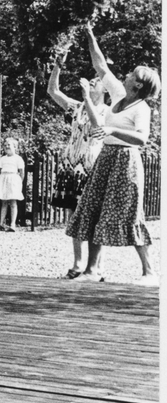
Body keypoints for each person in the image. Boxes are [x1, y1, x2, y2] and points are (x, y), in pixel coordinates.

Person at [66, 28, 160, 285]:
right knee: (95, 209)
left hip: (126, 161)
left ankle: (150, 273)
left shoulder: (141, 109)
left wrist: (112, 130)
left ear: (138, 85)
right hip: (106, 157)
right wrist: (89, 34)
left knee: (130, 214)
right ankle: (91, 271)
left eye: (132, 75)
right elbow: (100, 65)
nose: (126, 75)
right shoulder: (119, 94)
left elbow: (142, 138)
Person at [47, 38, 116, 277]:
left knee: (95, 215)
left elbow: (97, 127)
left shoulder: (108, 111)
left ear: (105, 90)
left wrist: (87, 97)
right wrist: (58, 66)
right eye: (93, 79)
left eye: (98, 81)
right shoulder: (76, 107)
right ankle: (77, 263)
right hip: (71, 166)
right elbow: (53, 91)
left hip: (91, 166)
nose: (93, 81)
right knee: (73, 215)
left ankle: (97, 266)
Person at [0, 137, 25, 231]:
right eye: (5, 145)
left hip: (13, 180)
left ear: (15, 147)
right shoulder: (3, 159)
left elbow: (22, 172)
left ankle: (13, 224)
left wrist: (19, 183)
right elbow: (0, 170)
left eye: (9, 145)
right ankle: (1, 224)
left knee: (13, 202)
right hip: (4, 179)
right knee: (4, 202)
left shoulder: (18, 159)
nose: (6, 147)